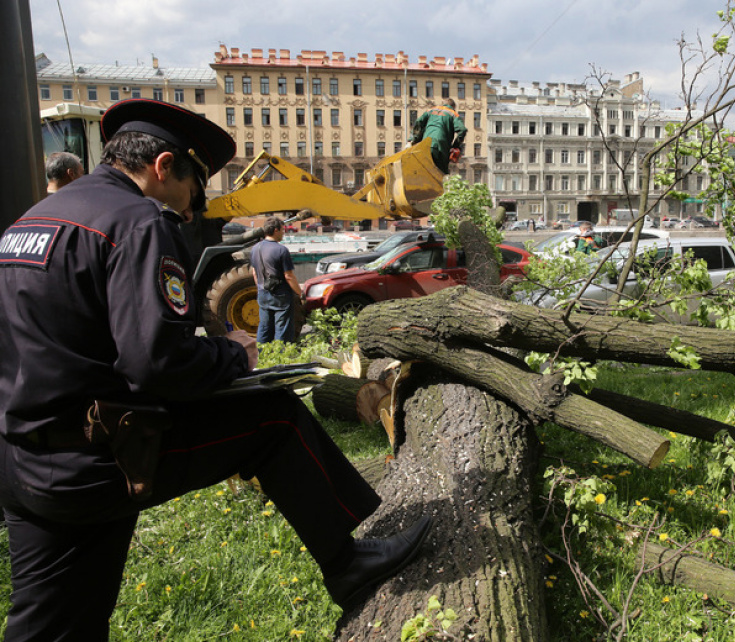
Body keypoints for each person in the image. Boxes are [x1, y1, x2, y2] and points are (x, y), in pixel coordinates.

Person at [0, 98, 430, 641]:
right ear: (162, 167)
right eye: (194, 186)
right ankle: (347, 565)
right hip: (98, 458)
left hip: (22, 455)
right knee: (274, 417)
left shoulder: (31, 221)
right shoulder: (135, 222)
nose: (192, 206)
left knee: (46, 623)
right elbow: (158, 364)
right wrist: (235, 353)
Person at [250, 216, 303, 343]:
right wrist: (300, 293)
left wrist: (260, 288)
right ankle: (280, 357)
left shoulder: (255, 248)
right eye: (282, 230)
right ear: (275, 230)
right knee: (282, 329)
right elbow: (289, 276)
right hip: (280, 296)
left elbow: (254, 273)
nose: (283, 233)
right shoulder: (281, 250)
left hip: (263, 293)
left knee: (264, 328)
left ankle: (262, 356)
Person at [410, 98, 467, 174]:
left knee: (424, 171)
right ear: (453, 107)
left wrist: (414, 140)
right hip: (441, 147)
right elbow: (462, 130)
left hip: (425, 144)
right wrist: (455, 146)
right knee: (441, 174)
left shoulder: (430, 110)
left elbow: (418, 122)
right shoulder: (453, 114)